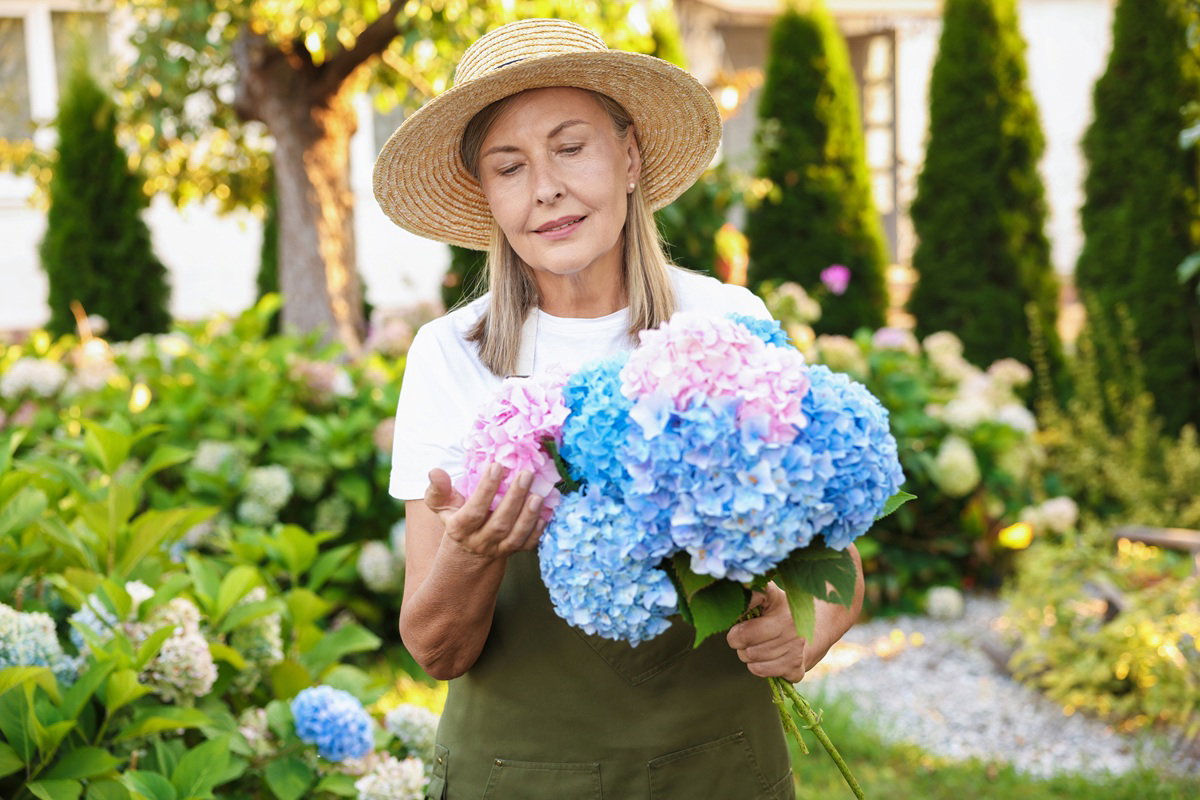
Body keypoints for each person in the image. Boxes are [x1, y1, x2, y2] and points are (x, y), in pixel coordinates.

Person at [374, 18, 864, 800]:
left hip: (721, 769)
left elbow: (837, 565)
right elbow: (435, 651)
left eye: (571, 148)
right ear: (487, 194)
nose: (546, 188)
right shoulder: (451, 354)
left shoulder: (723, 320)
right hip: (516, 777)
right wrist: (473, 553)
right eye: (510, 166)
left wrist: (801, 630)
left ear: (629, 155)